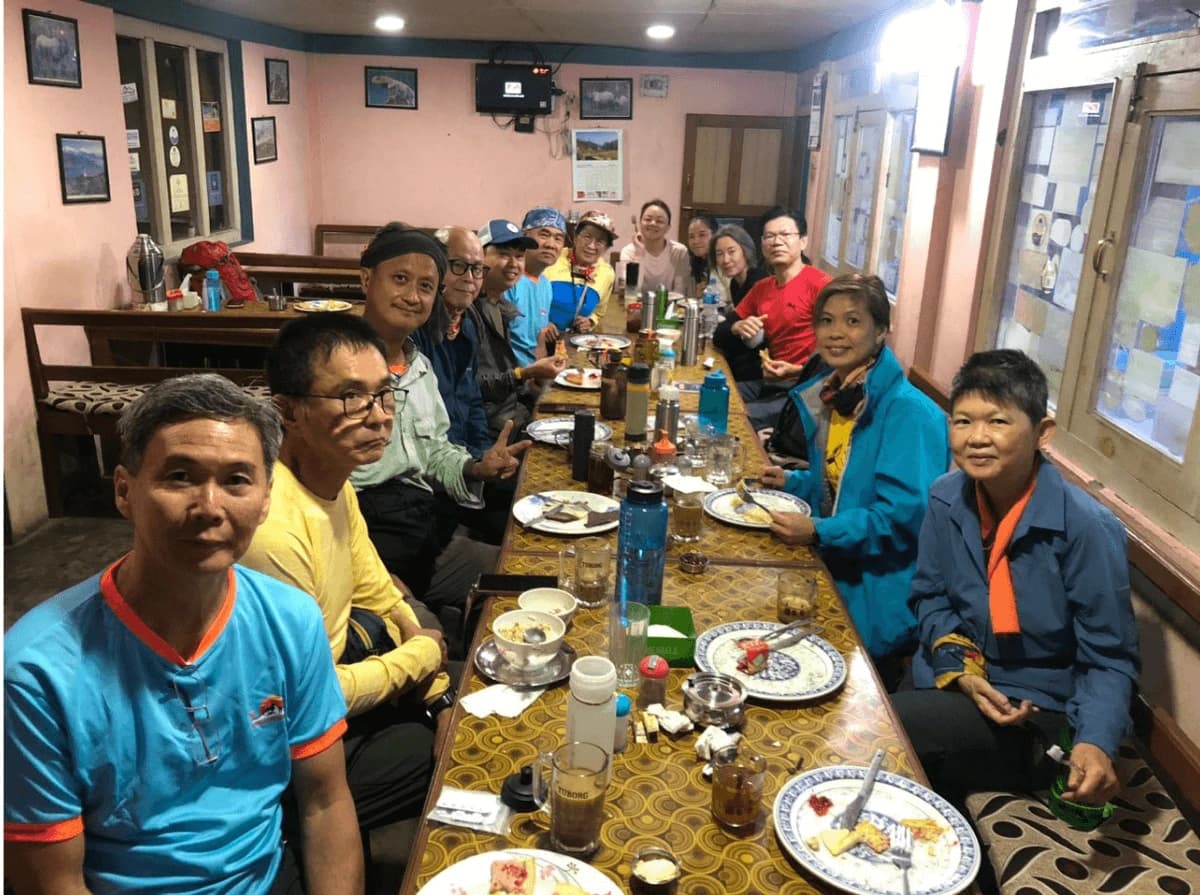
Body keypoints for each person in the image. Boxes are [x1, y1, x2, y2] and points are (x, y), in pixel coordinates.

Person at [4, 375, 361, 895]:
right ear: (125, 491)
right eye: (179, 476)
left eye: (237, 480)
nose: (209, 507)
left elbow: (325, 802)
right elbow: (50, 883)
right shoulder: (35, 673)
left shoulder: (290, 620)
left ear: (265, 500)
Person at [241, 314, 455, 846]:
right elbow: (301, 698)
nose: (379, 417)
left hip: (342, 682)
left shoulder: (336, 481)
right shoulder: (272, 529)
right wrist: (422, 659)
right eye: (351, 398)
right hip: (283, 748)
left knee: (464, 714)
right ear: (286, 411)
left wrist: (440, 692)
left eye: (385, 394)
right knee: (453, 767)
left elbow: (379, 593)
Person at [892, 349, 1139, 810]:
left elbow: (1108, 657)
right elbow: (929, 596)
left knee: (888, 732)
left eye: (999, 422)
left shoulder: (1084, 527)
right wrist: (963, 671)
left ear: (1042, 432)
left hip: (1031, 712)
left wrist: (1095, 742)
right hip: (951, 679)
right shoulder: (947, 498)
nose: (977, 438)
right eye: (962, 421)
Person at [761, 274, 949, 685]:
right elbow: (842, 483)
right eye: (826, 321)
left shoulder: (909, 413)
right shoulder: (837, 394)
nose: (835, 334)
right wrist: (793, 483)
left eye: (852, 322)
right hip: (836, 564)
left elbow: (901, 519)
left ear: (881, 330)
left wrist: (818, 530)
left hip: (875, 592)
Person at [350, 224, 525, 653]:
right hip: (368, 548)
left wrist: (474, 466)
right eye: (401, 279)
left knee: (522, 578)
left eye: (426, 286)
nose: (413, 295)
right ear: (367, 280)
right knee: (432, 649)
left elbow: (436, 451)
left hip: (423, 536)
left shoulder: (419, 367)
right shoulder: (339, 365)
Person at [731, 207, 832, 429]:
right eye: (770, 236)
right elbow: (728, 325)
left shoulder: (821, 286)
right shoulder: (762, 288)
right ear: (762, 244)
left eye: (785, 235)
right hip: (772, 381)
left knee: (736, 419)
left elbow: (841, 355)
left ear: (803, 241)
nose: (777, 242)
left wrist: (796, 370)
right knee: (712, 397)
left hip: (809, 389)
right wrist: (739, 325)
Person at [474, 219, 566, 440]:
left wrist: (536, 381)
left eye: (519, 256)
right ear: (479, 258)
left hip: (514, 412)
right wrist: (525, 374)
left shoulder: (502, 306)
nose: (514, 264)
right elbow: (473, 387)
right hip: (490, 428)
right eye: (504, 254)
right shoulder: (469, 311)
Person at [415, 226, 491, 459]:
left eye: (477, 269)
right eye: (458, 266)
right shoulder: (415, 330)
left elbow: (473, 401)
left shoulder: (467, 324)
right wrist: (470, 466)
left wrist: (484, 453)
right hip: (433, 466)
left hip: (466, 456)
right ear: (435, 267)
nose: (469, 278)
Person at [710, 224, 769, 383]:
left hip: (757, 369)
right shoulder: (735, 284)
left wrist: (731, 329)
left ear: (746, 251)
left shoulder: (758, 281)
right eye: (719, 254)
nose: (725, 260)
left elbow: (738, 337)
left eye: (731, 252)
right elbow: (725, 331)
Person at [544, 210, 617, 333]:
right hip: (539, 339)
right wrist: (540, 323)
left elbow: (598, 312)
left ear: (606, 247)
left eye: (600, 241)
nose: (591, 246)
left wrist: (590, 321)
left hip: (575, 342)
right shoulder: (552, 259)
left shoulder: (607, 273)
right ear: (575, 237)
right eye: (587, 237)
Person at [509, 206, 565, 366]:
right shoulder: (509, 279)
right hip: (511, 377)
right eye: (544, 235)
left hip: (534, 375)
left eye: (558, 238)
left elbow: (540, 342)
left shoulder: (545, 285)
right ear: (525, 236)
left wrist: (543, 380)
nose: (551, 245)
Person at [620, 199, 691, 295]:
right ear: (640, 223)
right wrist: (639, 255)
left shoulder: (679, 252)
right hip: (636, 306)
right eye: (648, 219)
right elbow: (630, 291)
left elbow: (679, 292)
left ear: (668, 227)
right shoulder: (628, 252)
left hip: (668, 306)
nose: (653, 223)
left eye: (660, 221)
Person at [685, 210, 721, 297]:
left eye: (702, 235)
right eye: (691, 236)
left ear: (715, 234)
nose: (696, 241)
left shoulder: (723, 262)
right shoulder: (698, 263)